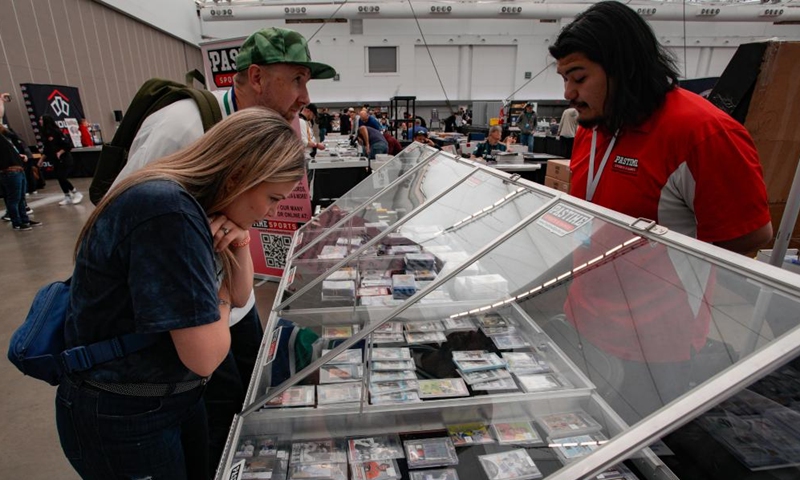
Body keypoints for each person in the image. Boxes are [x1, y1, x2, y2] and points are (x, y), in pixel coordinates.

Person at [106, 26, 335, 475]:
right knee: (213, 407)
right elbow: (123, 214)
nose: (305, 95)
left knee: (245, 393)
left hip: (226, 291)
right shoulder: (183, 125)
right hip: (182, 314)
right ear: (255, 76)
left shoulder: (268, 132)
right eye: (297, 79)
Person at [547, 1, 772, 423]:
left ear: (624, 67)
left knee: (636, 450)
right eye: (564, 79)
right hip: (584, 319)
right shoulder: (594, 128)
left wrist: (667, 261)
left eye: (578, 78)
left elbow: (750, 235)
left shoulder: (701, 132)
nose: (568, 94)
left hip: (653, 343)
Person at [56, 108, 305, 480]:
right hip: (125, 413)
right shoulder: (168, 210)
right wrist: (218, 292)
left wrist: (239, 242)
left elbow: (240, 296)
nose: (271, 211)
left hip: (168, 399)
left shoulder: (193, 205)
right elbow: (204, 356)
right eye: (272, 197)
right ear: (239, 176)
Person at [1, 123, 42, 230]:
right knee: (14, 198)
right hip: (10, 171)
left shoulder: (7, 138)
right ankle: (17, 222)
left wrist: (20, 156)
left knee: (21, 198)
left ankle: (24, 219)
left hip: (18, 169)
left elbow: (11, 148)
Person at [40, 115, 83, 205]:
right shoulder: (45, 134)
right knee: (59, 178)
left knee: (62, 176)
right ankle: (67, 196)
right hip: (55, 160)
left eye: (41, 119)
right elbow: (46, 150)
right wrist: (41, 160)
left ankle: (76, 193)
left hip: (64, 159)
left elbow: (68, 145)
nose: (39, 121)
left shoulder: (56, 132)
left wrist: (60, 152)